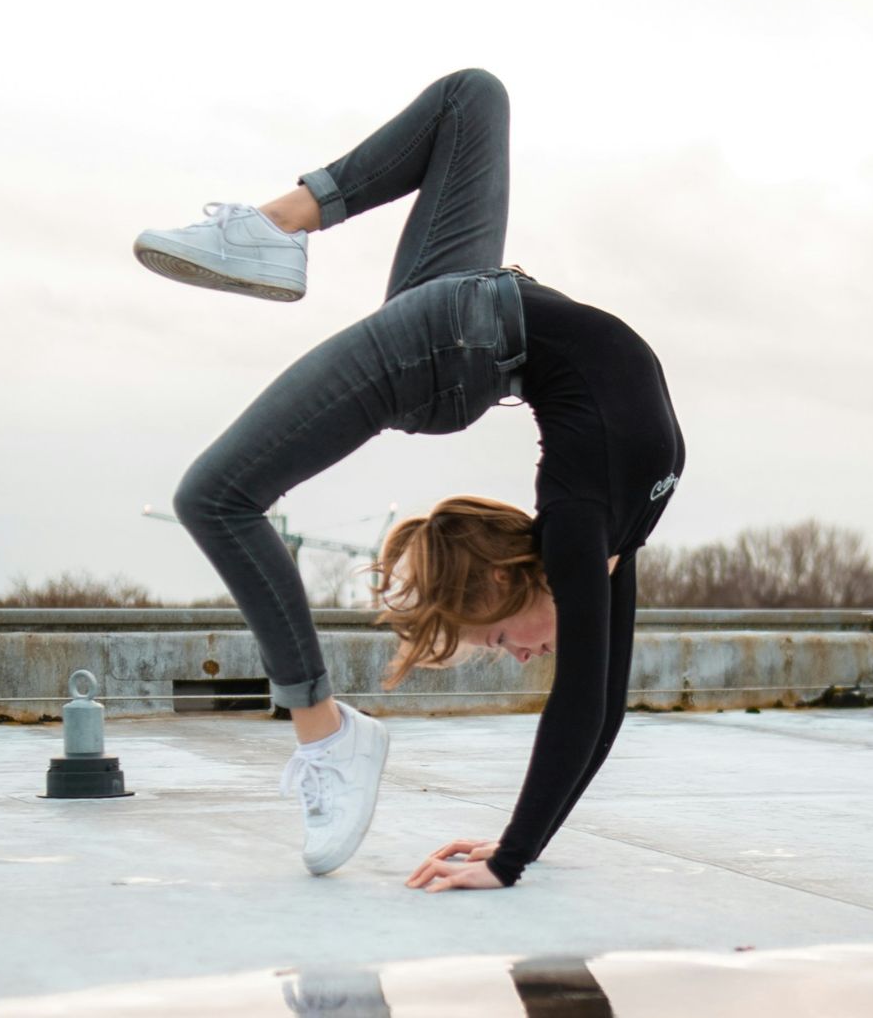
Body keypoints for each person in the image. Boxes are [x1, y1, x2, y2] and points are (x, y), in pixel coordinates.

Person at [139, 69, 684, 891]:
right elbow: (589, 706)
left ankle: (269, 229)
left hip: (463, 331)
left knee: (216, 496)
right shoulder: (585, 530)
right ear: (501, 578)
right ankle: (328, 735)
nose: (519, 655)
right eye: (501, 641)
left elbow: (593, 708)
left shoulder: (594, 530)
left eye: (498, 643)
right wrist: (514, 855)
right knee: (474, 97)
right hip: (457, 333)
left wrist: (516, 850)